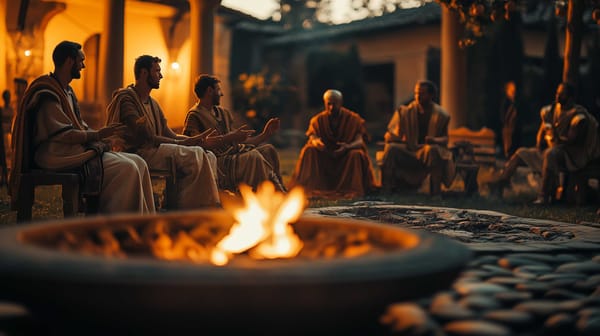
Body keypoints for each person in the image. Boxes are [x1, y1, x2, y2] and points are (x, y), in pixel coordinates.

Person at [9, 41, 155, 214]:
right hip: (57, 153)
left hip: (72, 149)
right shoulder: (47, 94)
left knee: (139, 163)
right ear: (70, 61)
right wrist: (98, 135)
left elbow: (80, 126)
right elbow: (65, 134)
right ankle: (111, 224)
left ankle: (142, 223)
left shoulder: (67, 91)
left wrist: (102, 135)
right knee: (128, 168)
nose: (83, 65)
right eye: (81, 61)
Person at [106, 55, 220, 209]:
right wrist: (186, 143)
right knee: (194, 155)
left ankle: (206, 204)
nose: (161, 75)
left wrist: (192, 140)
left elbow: (169, 134)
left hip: (155, 148)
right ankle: (190, 209)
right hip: (138, 151)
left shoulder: (153, 103)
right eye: (157, 71)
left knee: (208, 155)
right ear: (144, 73)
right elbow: (146, 137)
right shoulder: (127, 99)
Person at [490, 82, 600, 204]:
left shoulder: (578, 115)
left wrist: (555, 137)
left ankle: (543, 196)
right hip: (550, 150)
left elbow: (571, 140)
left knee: (550, 154)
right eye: (557, 93)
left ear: (570, 97)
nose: (557, 96)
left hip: (569, 155)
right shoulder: (552, 110)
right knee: (520, 153)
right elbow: (542, 130)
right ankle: (498, 187)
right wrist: (540, 143)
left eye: (562, 94)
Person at [183, 75, 285, 192]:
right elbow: (192, 146)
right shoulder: (194, 116)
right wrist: (228, 138)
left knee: (268, 150)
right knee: (253, 157)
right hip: (218, 160)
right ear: (210, 91)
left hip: (235, 152)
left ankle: (276, 192)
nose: (221, 94)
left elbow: (239, 140)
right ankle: (265, 195)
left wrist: (265, 134)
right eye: (219, 90)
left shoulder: (223, 113)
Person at [289, 89, 376, 198]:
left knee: (356, 154)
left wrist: (348, 146)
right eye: (328, 104)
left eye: (334, 104)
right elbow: (313, 137)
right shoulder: (318, 120)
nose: (331, 107)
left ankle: (350, 188)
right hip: (325, 155)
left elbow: (360, 141)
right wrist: (317, 143)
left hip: (345, 156)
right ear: (324, 103)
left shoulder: (353, 119)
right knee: (309, 150)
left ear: (341, 103)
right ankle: (312, 187)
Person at [380, 80, 455, 195]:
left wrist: (434, 140)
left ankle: (435, 192)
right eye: (416, 93)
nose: (418, 96)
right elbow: (393, 133)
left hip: (426, 151)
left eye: (422, 93)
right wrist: (393, 136)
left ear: (431, 95)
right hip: (409, 149)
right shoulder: (405, 112)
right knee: (391, 148)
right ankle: (387, 189)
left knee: (432, 150)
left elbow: (445, 139)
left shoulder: (441, 115)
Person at [499, 80, 522, 158]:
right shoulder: (506, 103)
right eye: (511, 91)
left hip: (516, 130)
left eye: (514, 91)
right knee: (508, 149)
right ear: (507, 91)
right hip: (508, 130)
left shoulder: (518, 103)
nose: (513, 93)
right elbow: (503, 117)